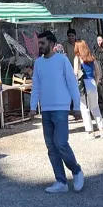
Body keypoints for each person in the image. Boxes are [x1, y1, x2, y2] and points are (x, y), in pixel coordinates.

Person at [31, 31, 84, 193]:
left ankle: (76, 171)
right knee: (51, 147)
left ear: (52, 44)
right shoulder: (38, 63)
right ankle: (60, 181)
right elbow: (36, 86)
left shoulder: (62, 60)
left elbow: (72, 83)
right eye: (39, 43)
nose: (40, 46)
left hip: (61, 108)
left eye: (43, 43)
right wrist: (33, 106)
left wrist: (76, 106)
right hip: (46, 109)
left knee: (61, 143)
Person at [73, 40, 103, 139]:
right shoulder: (92, 58)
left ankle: (90, 131)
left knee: (85, 108)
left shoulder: (77, 58)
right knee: (95, 107)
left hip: (84, 84)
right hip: (92, 82)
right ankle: (102, 130)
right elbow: (98, 72)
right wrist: (95, 82)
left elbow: (75, 73)